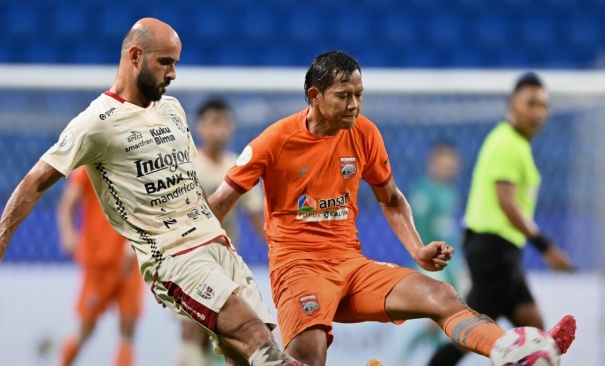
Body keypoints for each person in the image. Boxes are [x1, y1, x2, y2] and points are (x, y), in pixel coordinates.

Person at [0, 18, 305, 366]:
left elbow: (188, 187)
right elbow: (34, 181)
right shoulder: (96, 123)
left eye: (176, 63)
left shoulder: (173, 110)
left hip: (217, 244)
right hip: (173, 257)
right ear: (134, 55)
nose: (173, 73)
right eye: (165, 62)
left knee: (252, 349)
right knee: (255, 337)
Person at [207, 51, 576, 366]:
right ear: (314, 96)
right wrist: (190, 256)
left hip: (351, 264)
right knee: (307, 356)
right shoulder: (274, 141)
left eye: (359, 94)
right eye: (343, 95)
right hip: (299, 269)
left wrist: (418, 249)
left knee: (442, 296)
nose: (354, 104)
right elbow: (220, 202)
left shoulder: (365, 132)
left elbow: (392, 199)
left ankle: (509, 351)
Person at [427, 72, 576, 365]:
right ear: (512, 104)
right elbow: (507, 202)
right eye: (530, 103)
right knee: (469, 336)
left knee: (533, 326)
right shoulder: (507, 142)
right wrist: (546, 247)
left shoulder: (515, 143)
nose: (538, 112)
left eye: (543, 105)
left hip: (500, 251)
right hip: (493, 249)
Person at [180, 99, 265, 366]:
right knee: (193, 331)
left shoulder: (239, 166)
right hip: (190, 261)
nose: (218, 129)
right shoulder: (187, 165)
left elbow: (256, 218)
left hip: (227, 263)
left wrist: (278, 251)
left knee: (232, 337)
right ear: (200, 128)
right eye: (212, 122)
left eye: (223, 122)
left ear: (231, 128)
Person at [57, 166, 143, 366]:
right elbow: (69, 202)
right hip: (99, 262)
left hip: (130, 260)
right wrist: (68, 234)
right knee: (86, 328)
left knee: (128, 329)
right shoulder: (92, 164)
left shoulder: (139, 164)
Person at [399, 142, 465, 364]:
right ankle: (403, 357)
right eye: (442, 162)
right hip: (429, 263)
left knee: (447, 317)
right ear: (432, 163)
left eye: (451, 163)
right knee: (439, 316)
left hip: (450, 263)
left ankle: (431, 359)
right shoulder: (422, 191)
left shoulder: (450, 193)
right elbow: (420, 232)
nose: (447, 167)